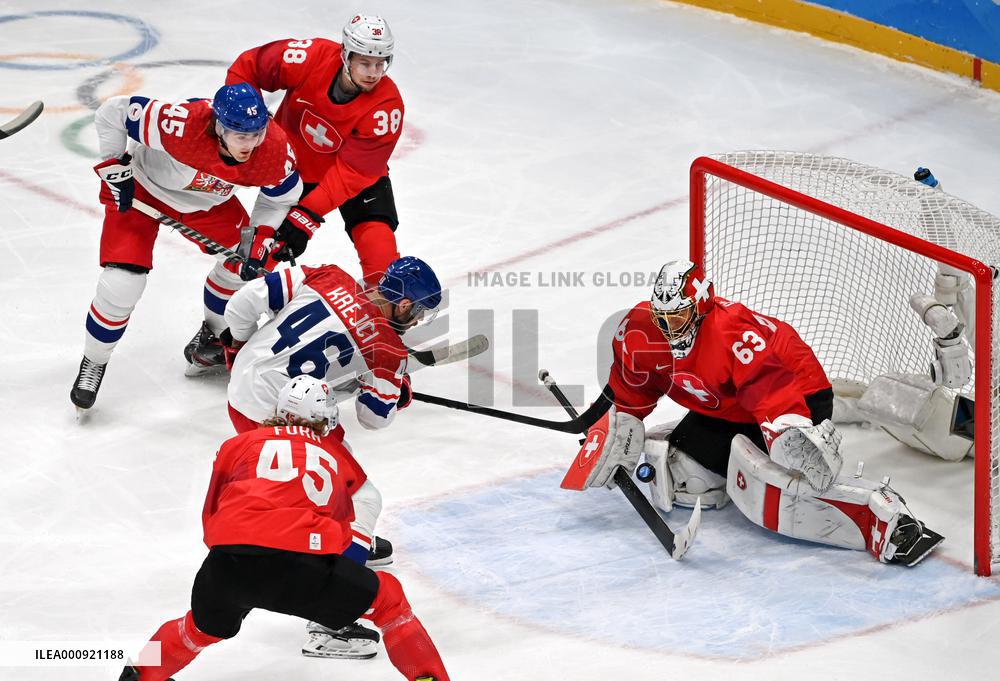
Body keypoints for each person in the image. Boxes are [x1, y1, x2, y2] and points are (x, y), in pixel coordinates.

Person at [581, 259, 943, 566]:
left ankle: (884, 518)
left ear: (701, 308)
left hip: (799, 395)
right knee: (686, 480)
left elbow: (771, 389)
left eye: (676, 319)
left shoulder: (731, 334)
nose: (667, 329)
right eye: (662, 318)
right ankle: (753, 458)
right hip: (729, 409)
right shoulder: (642, 329)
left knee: (772, 494)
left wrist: (786, 431)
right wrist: (620, 428)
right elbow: (635, 386)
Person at [117, 375, 449, 681]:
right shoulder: (331, 454)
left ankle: (139, 672)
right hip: (299, 568)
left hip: (227, 562)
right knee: (389, 600)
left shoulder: (238, 445)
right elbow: (340, 528)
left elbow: (212, 513)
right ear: (323, 419)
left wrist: (242, 552)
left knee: (197, 630)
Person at [221, 255, 441, 657]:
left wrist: (236, 344)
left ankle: (342, 539)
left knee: (336, 470)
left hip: (241, 396)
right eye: (420, 311)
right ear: (405, 305)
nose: (417, 319)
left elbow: (241, 304)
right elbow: (373, 418)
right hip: (286, 419)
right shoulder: (388, 351)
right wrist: (396, 392)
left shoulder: (326, 275)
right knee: (362, 497)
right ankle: (328, 621)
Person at [71, 83, 302, 410]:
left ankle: (212, 335)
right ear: (219, 127)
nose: (250, 145)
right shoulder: (181, 123)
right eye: (241, 136)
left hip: (208, 206)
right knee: (122, 283)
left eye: (257, 134)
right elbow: (114, 112)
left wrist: (261, 236)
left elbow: (283, 198)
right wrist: (113, 165)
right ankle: (94, 361)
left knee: (246, 263)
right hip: (141, 191)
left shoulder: (274, 151)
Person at [227, 14, 404, 286]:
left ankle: (384, 320)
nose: (373, 73)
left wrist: (307, 216)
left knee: (381, 258)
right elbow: (247, 68)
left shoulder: (387, 105)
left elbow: (354, 173)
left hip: (358, 181)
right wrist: (253, 125)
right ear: (345, 54)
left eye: (381, 64)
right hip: (293, 170)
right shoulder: (310, 57)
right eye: (365, 63)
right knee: (255, 257)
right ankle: (223, 324)